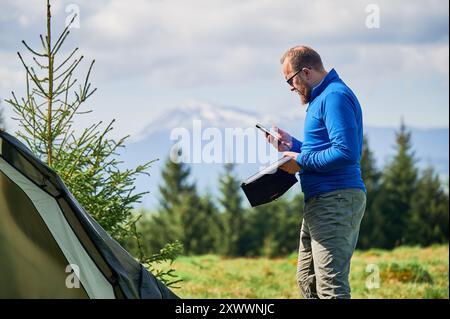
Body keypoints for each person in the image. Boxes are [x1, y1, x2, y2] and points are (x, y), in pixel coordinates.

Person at [267, 45, 366, 299]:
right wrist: (293, 147)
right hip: (321, 200)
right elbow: (323, 149)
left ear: (306, 72)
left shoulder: (334, 97)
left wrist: (301, 159)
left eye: (290, 80)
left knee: (330, 288)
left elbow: (346, 152)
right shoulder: (322, 98)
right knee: (307, 282)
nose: (291, 87)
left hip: (336, 199)